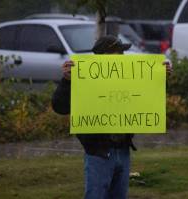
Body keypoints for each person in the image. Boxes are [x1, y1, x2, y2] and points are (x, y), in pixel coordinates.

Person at [52, 35, 172, 199]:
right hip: (98, 153)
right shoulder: (83, 78)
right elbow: (60, 107)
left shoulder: (126, 77)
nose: (122, 56)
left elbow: (146, 98)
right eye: (118, 52)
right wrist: (67, 81)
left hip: (123, 151)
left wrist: (160, 77)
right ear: (104, 56)